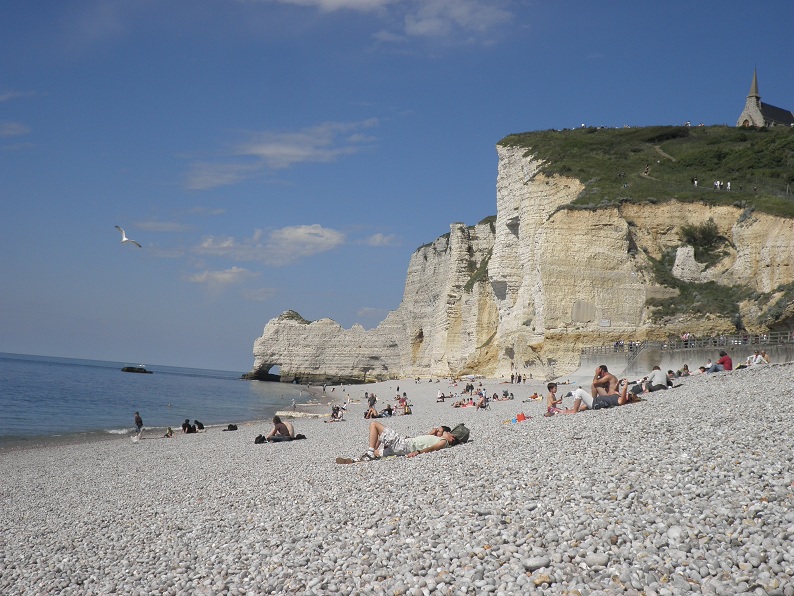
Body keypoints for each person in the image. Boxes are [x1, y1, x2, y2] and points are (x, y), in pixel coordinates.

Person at [337, 422, 465, 463]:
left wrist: (417, 452)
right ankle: (356, 460)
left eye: (447, 432)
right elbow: (426, 440)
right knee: (378, 448)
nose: (444, 432)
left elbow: (432, 448)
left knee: (374, 425)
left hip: (404, 445)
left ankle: (369, 453)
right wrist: (432, 432)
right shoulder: (439, 439)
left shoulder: (443, 441)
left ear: (452, 438)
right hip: (402, 448)